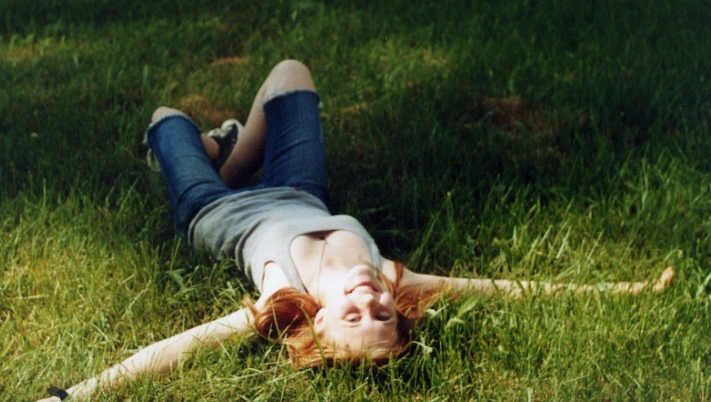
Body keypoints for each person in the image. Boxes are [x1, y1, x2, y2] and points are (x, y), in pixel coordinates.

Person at [39, 60, 674, 401]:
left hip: (211, 212)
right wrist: (628, 291)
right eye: (383, 315)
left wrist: (71, 397)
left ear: (317, 322)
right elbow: (510, 289)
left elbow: (174, 350)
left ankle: (212, 156)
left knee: (165, 118)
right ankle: (231, 152)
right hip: (299, 192)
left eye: (354, 315)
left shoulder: (280, 300)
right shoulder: (395, 277)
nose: (369, 299)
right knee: (290, 72)